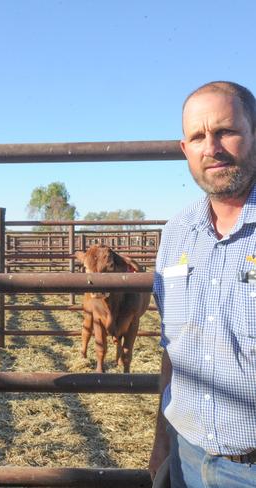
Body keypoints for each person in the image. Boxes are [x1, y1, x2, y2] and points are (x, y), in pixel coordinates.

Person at [149, 81, 256, 487]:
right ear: (185, 150)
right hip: (186, 457)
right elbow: (171, 348)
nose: (211, 147)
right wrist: (161, 441)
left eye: (226, 131)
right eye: (197, 136)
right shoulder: (176, 233)